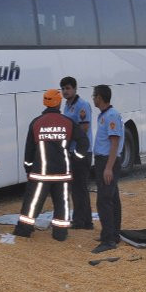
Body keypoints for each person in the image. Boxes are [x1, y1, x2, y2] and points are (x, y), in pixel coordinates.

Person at [12, 89, 89, 241]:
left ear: (44, 102)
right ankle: (60, 234)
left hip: (41, 173)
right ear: (59, 102)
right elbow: (84, 142)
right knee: (62, 204)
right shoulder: (68, 122)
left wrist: (28, 169)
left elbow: (29, 150)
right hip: (62, 173)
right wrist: (74, 159)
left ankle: (24, 230)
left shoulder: (36, 123)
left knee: (32, 203)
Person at [91, 85, 124, 254]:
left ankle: (109, 240)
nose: (92, 98)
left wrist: (109, 168)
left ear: (100, 97)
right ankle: (113, 233)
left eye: (94, 95)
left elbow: (114, 142)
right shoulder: (105, 115)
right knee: (113, 198)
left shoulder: (111, 115)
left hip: (107, 161)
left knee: (104, 200)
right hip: (103, 160)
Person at [60, 76, 94, 230]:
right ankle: (83, 220)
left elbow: (84, 128)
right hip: (72, 150)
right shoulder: (67, 105)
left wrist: (69, 137)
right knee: (76, 188)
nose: (65, 91)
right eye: (63, 89)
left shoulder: (82, 105)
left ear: (75, 88)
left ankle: (83, 221)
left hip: (82, 152)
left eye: (68, 88)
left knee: (80, 187)